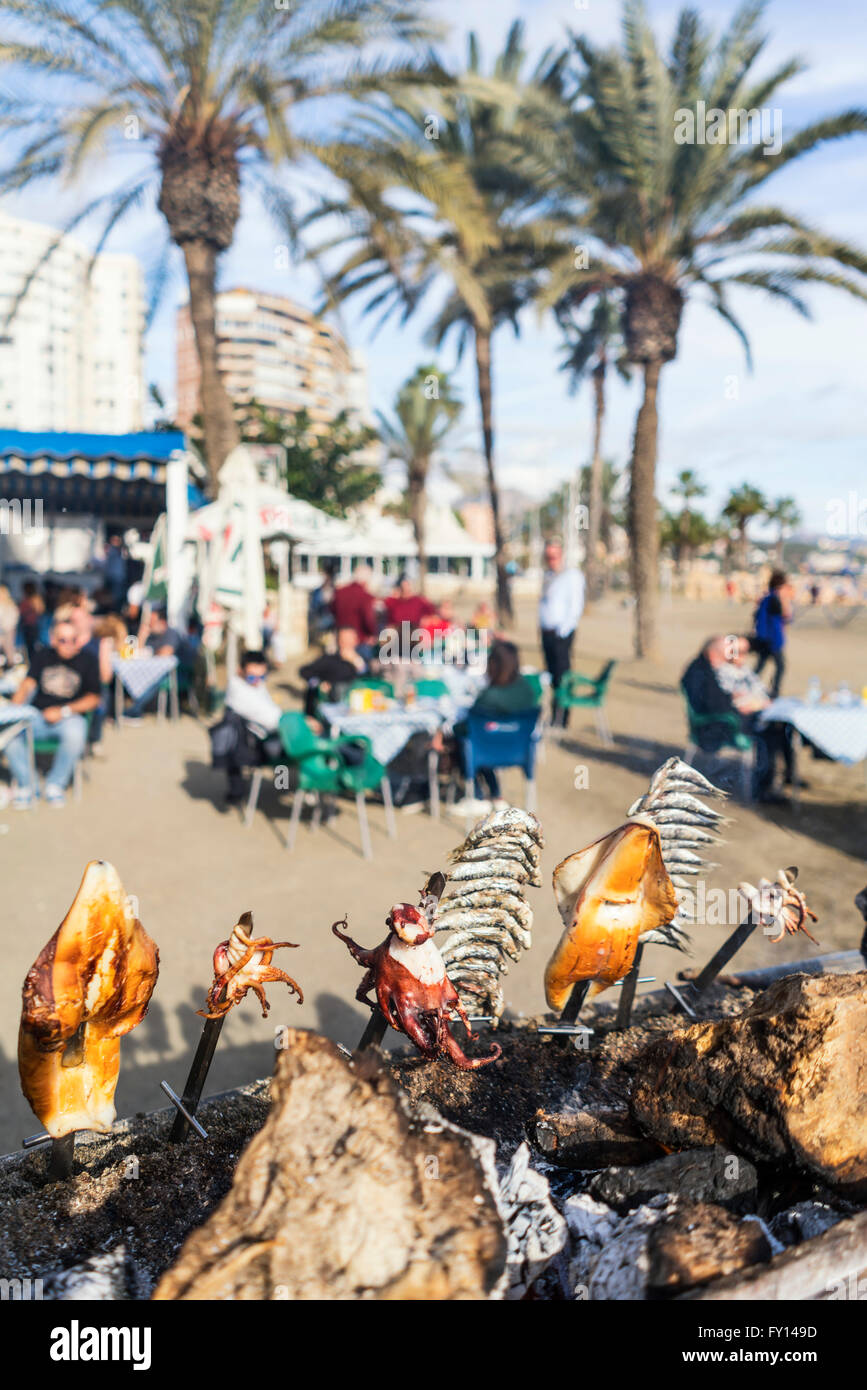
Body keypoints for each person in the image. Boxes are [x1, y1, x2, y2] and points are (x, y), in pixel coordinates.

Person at [681, 635, 797, 804]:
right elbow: (713, 704)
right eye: (728, 652)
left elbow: (721, 698)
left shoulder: (706, 667)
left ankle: (782, 779)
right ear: (714, 653)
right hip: (716, 727)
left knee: (779, 726)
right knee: (771, 731)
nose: (731, 656)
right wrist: (738, 705)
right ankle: (763, 789)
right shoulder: (701, 671)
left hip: (725, 719)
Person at [4, 613, 101, 808]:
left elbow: (93, 698)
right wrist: (17, 701)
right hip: (37, 716)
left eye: (73, 640)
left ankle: (55, 784)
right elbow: (28, 684)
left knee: (76, 733)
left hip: (70, 717)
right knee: (8, 733)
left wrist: (64, 711)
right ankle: (27, 784)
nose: (68, 644)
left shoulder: (88, 660)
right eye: (63, 640)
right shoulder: (43, 656)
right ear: (53, 640)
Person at [449, 639, 540, 811]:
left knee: (467, 741)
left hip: (487, 750)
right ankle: (495, 793)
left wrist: (452, 729)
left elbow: (465, 727)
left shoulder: (488, 696)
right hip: (519, 750)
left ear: (493, 664)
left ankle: (476, 794)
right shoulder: (527, 690)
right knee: (485, 738)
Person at [211, 650, 284, 805]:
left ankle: (281, 784)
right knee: (285, 748)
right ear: (240, 670)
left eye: (262, 676)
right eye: (252, 676)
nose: (257, 680)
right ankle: (283, 786)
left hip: (253, 738)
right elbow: (268, 717)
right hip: (249, 746)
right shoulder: (238, 690)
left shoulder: (255, 685)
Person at [538, 540, 585, 728]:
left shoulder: (571, 576)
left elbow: (575, 607)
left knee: (562, 676)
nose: (551, 560)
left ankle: (563, 718)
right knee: (552, 677)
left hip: (560, 636)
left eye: (554, 556)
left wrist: (562, 633)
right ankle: (555, 715)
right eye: (548, 556)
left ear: (561, 555)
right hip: (547, 634)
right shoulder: (548, 575)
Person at [298, 626, 368, 717]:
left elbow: (369, 680)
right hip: (333, 707)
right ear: (339, 642)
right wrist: (318, 684)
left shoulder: (361, 660)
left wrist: (356, 661)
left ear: (356, 641)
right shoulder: (329, 660)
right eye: (344, 640)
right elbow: (304, 671)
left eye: (350, 640)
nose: (346, 644)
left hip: (357, 708)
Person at [752, 569, 792, 698]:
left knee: (761, 665)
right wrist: (786, 601)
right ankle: (774, 691)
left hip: (764, 637)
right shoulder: (775, 599)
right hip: (772, 638)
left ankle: (749, 686)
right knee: (780, 666)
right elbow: (786, 617)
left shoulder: (767, 597)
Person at [331, 565, 379, 656]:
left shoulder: (339, 592)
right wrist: (373, 634)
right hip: (359, 640)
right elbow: (368, 619)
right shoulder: (365, 596)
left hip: (341, 638)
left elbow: (332, 611)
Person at [17, 581, 45, 658]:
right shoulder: (35, 599)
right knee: (31, 646)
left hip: (31, 625)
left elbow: (39, 611)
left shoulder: (32, 599)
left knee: (32, 647)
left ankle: (33, 662)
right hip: (32, 625)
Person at [0, 585, 19, 666]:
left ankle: (10, 664)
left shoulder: (10, 606)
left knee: (8, 650)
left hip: (8, 632)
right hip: (4, 632)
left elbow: (12, 620)